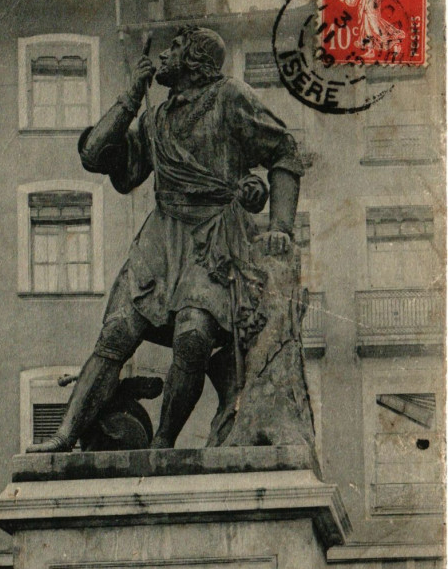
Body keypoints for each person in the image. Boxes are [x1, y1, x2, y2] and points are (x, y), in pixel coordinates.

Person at [27, 25, 304, 453]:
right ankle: (64, 434)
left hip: (213, 236)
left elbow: (284, 150)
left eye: (175, 47)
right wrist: (132, 94)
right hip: (162, 236)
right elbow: (95, 156)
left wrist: (281, 227)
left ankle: (162, 444)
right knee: (116, 333)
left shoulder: (230, 96)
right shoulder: (153, 118)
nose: (165, 54)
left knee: (193, 337)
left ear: (195, 59)